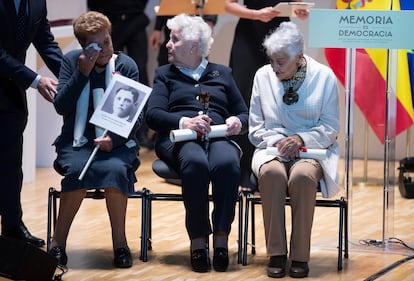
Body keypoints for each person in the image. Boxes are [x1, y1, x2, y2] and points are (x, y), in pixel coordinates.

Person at [146, 14, 248, 273]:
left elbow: (245, 113)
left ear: (193, 46)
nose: (168, 44)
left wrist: (236, 120)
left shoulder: (222, 73)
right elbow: (153, 114)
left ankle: (222, 239)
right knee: (195, 163)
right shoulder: (164, 75)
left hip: (217, 135)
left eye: (174, 39)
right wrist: (184, 122)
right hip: (179, 139)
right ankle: (198, 242)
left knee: (227, 164)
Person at [48, 11, 141, 269]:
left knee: (114, 170)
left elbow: (136, 116)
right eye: (95, 46)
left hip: (117, 141)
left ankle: (120, 244)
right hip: (77, 141)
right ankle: (58, 244)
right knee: (77, 172)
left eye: (107, 42)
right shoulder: (71, 62)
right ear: (82, 46)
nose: (103, 50)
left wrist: (115, 140)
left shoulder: (125, 65)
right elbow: (61, 105)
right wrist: (82, 73)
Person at [248, 22, 340, 278]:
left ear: (299, 57)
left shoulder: (324, 77)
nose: (274, 68)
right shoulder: (262, 76)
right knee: (273, 175)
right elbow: (255, 128)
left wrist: (300, 138)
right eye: (272, 61)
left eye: (281, 62)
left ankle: (300, 255)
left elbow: (331, 128)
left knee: (301, 177)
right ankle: (276, 253)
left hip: (313, 151)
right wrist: (280, 142)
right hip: (271, 149)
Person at [224, 0, 308, 190]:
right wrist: (256, 14)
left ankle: (279, 166)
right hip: (249, 32)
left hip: (281, 34)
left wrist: (299, 10)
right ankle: (244, 171)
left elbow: (295, 4)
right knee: (245, 95)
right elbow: (228, 5)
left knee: (283, 98)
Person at [0, 0, 63, 247]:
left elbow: (45, 42)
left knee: (11, 165)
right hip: (19, 81)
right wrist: (36, 80)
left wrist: (78, 76)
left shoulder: (37, 2)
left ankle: (13, 228)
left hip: (11, 94)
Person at [87, 0, 154, 149]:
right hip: (110, 22)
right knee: (109, 74)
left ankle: (141, 131)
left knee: (140, 73)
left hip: (136, 20)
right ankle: (110, 129)